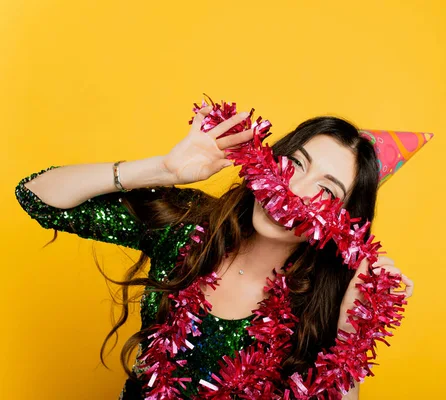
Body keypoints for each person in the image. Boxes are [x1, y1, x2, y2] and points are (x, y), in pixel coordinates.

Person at [14, 105, 414, 399]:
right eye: (294, 164)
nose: (295, 190)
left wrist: (352, 337)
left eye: (327, 190)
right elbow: (36, 197)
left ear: (343, 223)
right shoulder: (190, 226)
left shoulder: (327, 304)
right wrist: (162, 171)